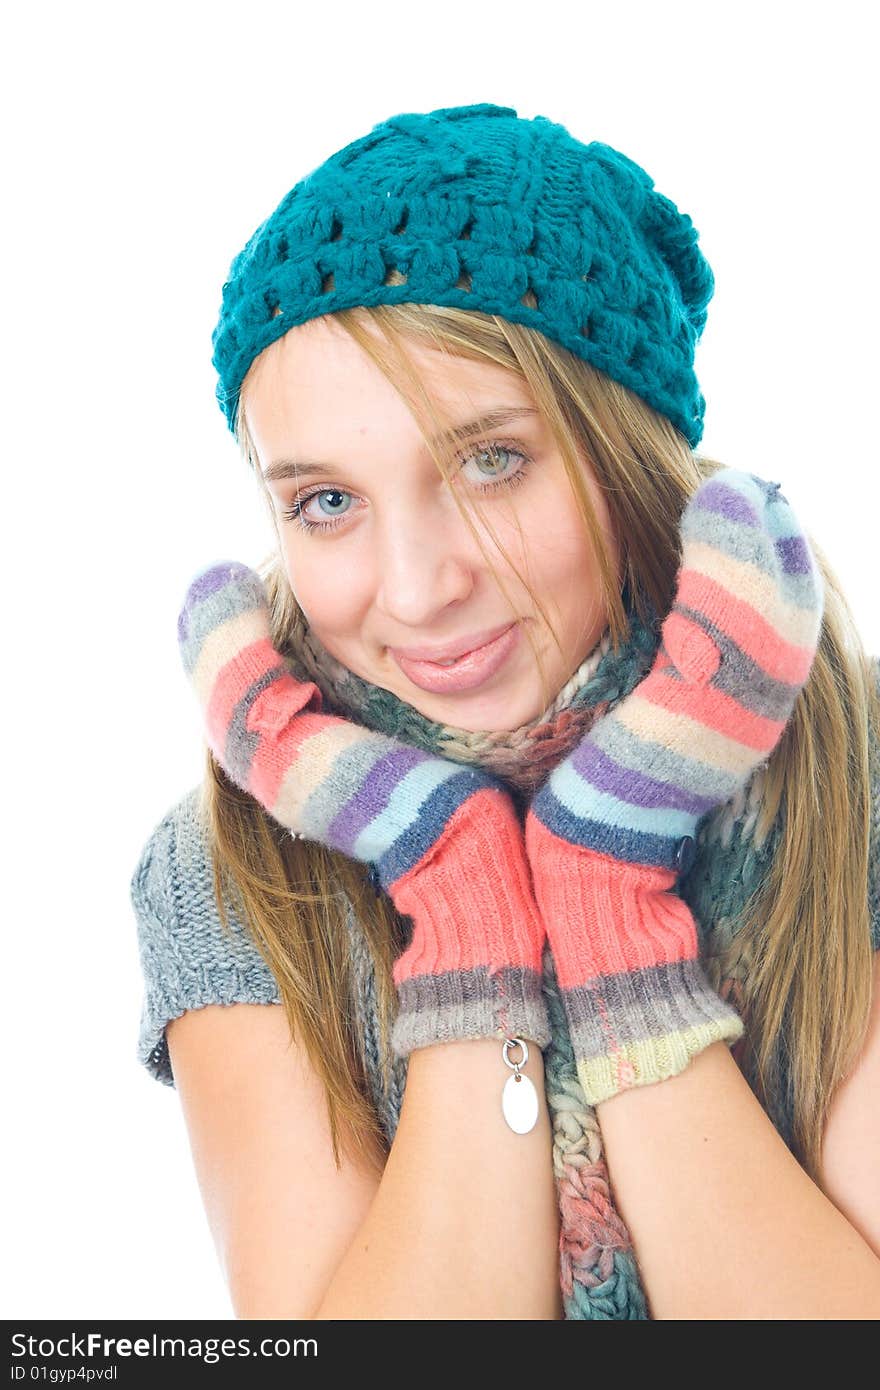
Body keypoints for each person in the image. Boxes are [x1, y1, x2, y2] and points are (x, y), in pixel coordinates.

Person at [130, 102, 880, 1320]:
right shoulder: (226, 871)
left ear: (620, 447)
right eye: (325, 500)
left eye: (488, 461)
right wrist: (460, 885)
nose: (419, 587)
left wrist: (602, 882)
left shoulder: (853, 776)